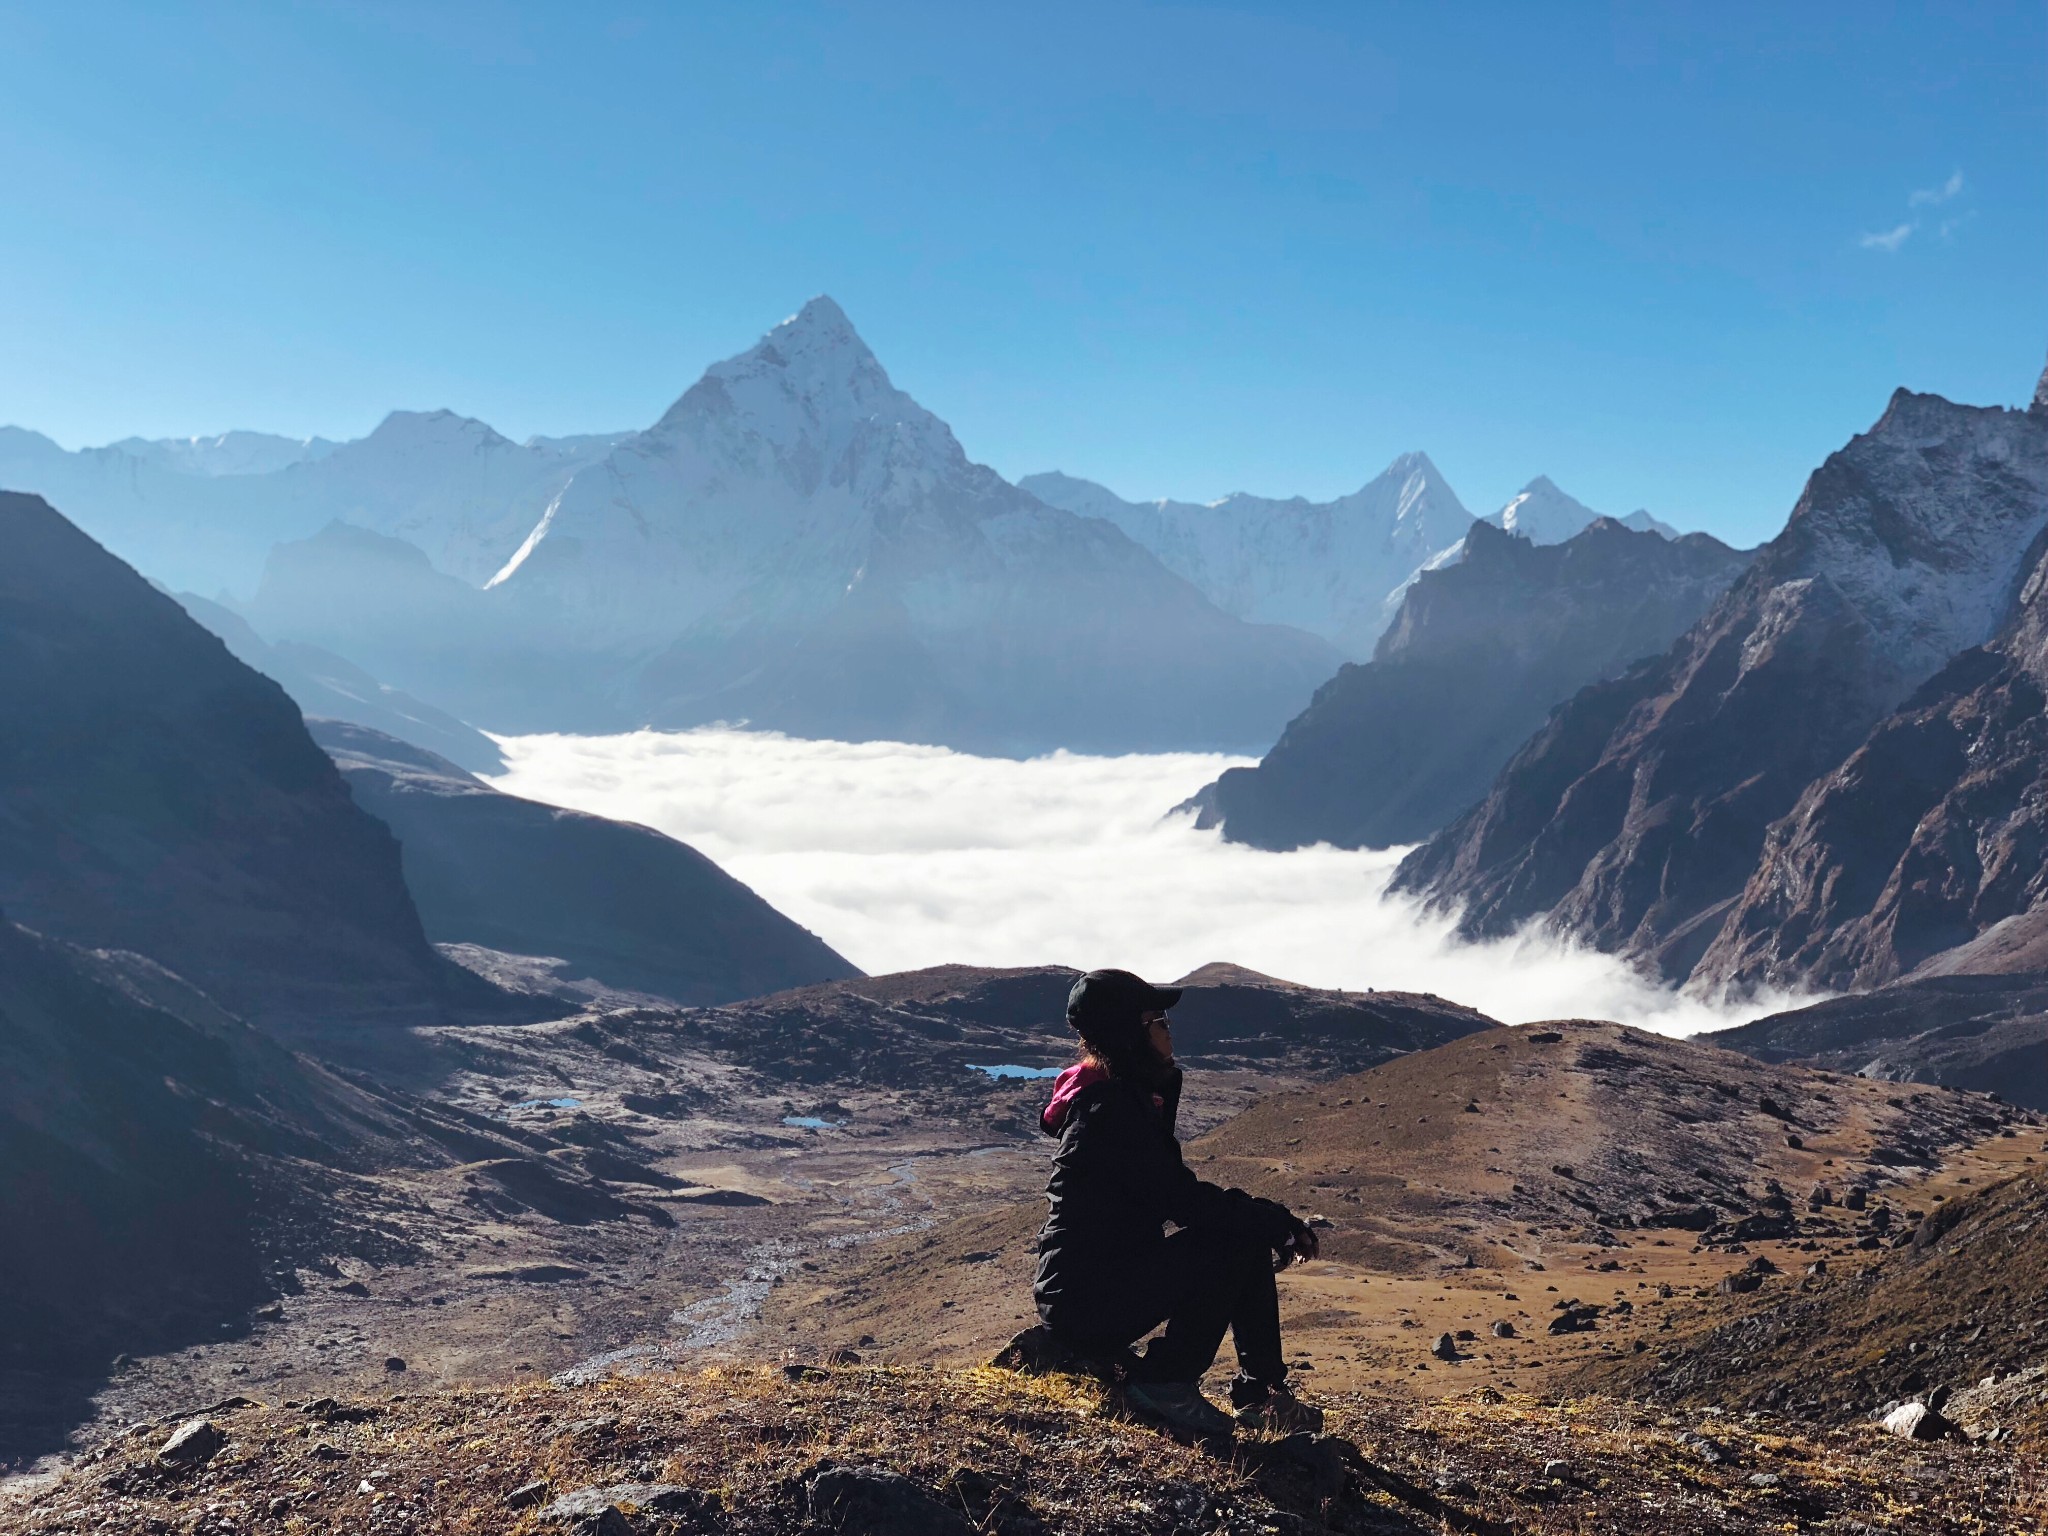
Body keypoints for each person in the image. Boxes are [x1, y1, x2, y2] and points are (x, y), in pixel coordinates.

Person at [1033, 967, 1323, 1437]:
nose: (1169, 1032)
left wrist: (1270, 1220)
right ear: (1129, 1033)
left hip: (1098, 1282)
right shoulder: (1110, 1113)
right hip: (1085, 1299)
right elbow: (1181, 1199)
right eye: (1159, 1022)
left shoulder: (1122, 1097)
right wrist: (1273, 1223)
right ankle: (1169, 1384)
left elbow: (1174, 1191)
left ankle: (1263, 1396)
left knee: (1239, 1238)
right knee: (1233, 1242)